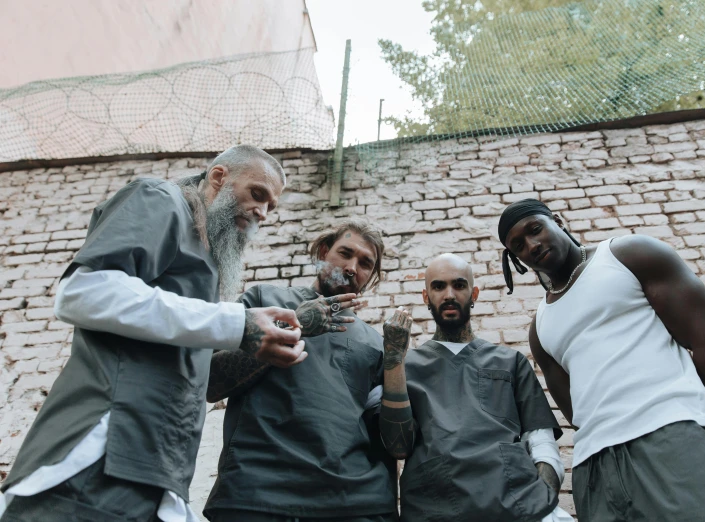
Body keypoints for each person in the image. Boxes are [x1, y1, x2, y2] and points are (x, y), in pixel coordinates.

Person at [0, 145, 308, 522]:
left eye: (271, 207)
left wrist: (252, 344)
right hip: (97, 459)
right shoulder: (160, 200)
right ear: (219, 177)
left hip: (156, 476)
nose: (262, 211)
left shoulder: (207, 260)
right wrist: (236, 323)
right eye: (257, 194)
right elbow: (83, 293)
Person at [498, 198, 705, 522]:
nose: (532, 245)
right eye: (518, 245)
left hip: (675, 434)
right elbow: (576, 411)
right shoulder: (540, 328)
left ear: (557, 220)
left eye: (535, 230)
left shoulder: (627, 255)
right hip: (596, 468)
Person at [203, 219, 402, 522]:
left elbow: (389, 438)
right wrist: (292, 325)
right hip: (257, 496)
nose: (352, 267)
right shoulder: (265, 302)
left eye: (365, 263)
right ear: (323, 251)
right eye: (345, 253)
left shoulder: (375, 345)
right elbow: (209, 381)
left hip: (353, 504)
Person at [379, 253, 572, 522]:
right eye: (438, 286)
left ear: (474, 294)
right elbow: (396, 446)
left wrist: (542, 503)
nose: (449, 294)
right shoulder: (404, 367)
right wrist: (393, 360)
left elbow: (541, 443)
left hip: (518, 506)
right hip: (434, 508)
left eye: (459, 285)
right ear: (425, 297)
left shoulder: (510, 361)